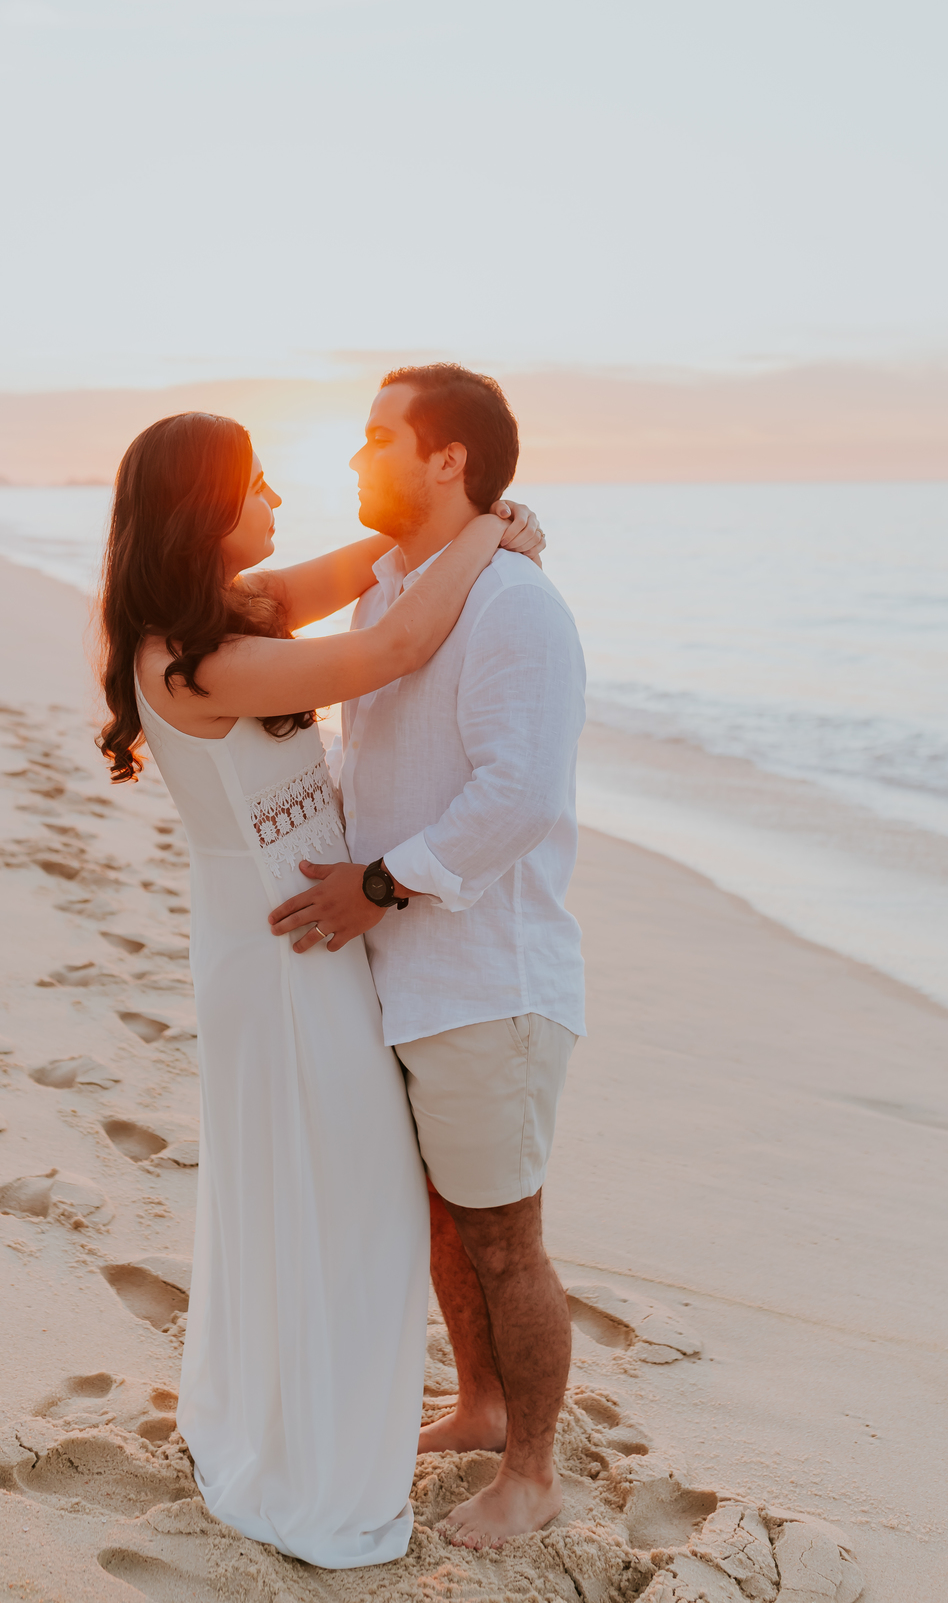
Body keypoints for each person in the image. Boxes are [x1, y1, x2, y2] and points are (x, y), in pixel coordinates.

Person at [94, 409, 546, 1570]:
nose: (279, 505)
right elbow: (387, 652)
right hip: (281, 955)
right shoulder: (197, 657)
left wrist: (460, 536)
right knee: (351, 1202)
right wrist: (489, 533)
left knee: (322, 1192)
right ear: (204, 507)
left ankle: (302, 1415)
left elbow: (374, 567)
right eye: (257, 487)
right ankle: (314, 1459)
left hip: (301, 945)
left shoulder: (230, 611)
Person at [268, 363, 587, 1551]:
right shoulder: (399, 589)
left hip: (487, 981)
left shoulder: (514, 604)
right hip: (402, 972)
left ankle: (536, 1470)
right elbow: (389, 761)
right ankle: (480, 1406)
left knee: (506, 1237)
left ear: (447, 456)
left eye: (375, 437)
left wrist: (380, 884)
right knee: (449, 1227)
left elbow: (518, 798)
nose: (355, 458)